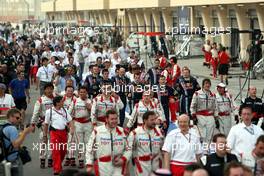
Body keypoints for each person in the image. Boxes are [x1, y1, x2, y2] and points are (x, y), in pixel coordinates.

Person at [86, 109, 128, 175]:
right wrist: (89, 164)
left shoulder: (122, 131)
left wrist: (124, 159)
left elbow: (128, 149)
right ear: (106, 119)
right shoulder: (97, 131)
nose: (114, 121)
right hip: (102, 166)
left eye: (116, 119)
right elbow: (90, 149)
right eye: (112, 119)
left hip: (118, 166)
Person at [125, 111, 164, 175]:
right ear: (145, 120)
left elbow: (164, 150)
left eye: (155, 119)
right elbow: (127, 151)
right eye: (152, 120)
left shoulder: (159, 132)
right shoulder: (135, 133)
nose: (154, 121)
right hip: (142, 166)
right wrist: (126, 168)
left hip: (156, 166)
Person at [43, 96, 74, 175]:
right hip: (54, 133)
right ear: (57, 103)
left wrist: (72, 129)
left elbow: (70, 120)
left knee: (63, 151)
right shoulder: (49, 112)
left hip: (63, 133)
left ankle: (58, 164)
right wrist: (45, 136)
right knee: (56, 151)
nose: (63, 103)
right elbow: (46, 124)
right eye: (62, 101)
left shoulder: (64, 110)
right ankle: (57, 169)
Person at [1, 108, 34, 176]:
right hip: (13, 160)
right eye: (17, 118)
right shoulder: (12, 128)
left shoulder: (2, 126)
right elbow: (15, 145)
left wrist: (22, 134)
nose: (19, 120)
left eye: (20, 118)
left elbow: (7, 139)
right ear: (11, 117)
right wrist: (25, 132)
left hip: (3, 160)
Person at [31, 83, 54, 168]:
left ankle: (50, 160)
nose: (49, 90)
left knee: (52, 142)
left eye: (51, 89)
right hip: (44, 124)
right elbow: (35, 113)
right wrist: (33, 124)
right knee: (43, 141)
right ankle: (42, 160)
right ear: (44, 90)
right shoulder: (40, 100)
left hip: (54, 124)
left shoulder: (56, 99)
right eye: (47, 89)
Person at [68, 86, 92, 168]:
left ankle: (89, 160)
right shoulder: (75, 101)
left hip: (88, 123)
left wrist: (90, 108)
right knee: (80, 143)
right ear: (78, 93)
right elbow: (69, 113)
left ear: (86, 93)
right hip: (77, 123)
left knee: (88, 142)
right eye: (81, 92)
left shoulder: (90, 101)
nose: (82, 93)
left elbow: (94, 113)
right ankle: (81, 160)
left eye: (84, 92)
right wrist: (70, 124)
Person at [190, 79, 218, 143]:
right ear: (203, 85)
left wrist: (216, 116)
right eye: (206, 83)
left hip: (210, 116)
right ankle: (201, 149)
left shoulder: (213, 95)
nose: (207, 85)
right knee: (202, 135)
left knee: (209, 134)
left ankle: (206, 150)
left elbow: (215, 106)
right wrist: (193, 115)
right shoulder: (197, 94)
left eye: (208, 84)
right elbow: (193, 105)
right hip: (200, 115)